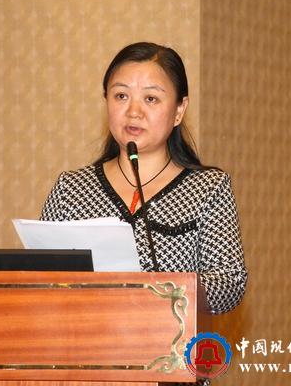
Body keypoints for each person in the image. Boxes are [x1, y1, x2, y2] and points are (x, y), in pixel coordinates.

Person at [40, 42, 247, 317]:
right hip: (82, 339)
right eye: (121, 96)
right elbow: (38, 278)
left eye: (151, 99)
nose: (134, 111)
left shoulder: (207, 188)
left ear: (179, 110)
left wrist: (166, 292)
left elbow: (230, 282)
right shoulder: (71, 189)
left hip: (170, 341)